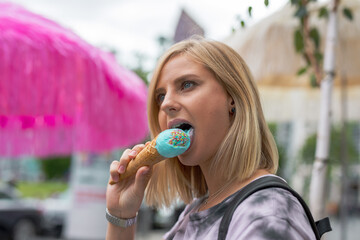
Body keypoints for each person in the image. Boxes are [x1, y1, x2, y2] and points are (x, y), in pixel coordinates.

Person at [106, 37, 316, 239]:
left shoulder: (268, 214)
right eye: (161, 96)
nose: (165, 104)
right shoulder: (195, 210)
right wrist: (120, 217)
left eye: (187, 85)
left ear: (232, 99)